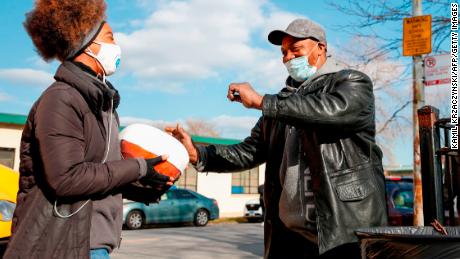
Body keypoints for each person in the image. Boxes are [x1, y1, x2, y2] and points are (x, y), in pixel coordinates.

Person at [167, 18, 387, 258]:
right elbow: (247, 152)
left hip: (341, 234)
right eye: (284, 52)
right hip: (290, 237)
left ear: (320, 49)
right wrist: (198, 154)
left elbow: (330, 111)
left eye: (296, 50)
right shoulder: (281, 104)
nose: (288, 58)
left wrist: (263, 102)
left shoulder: (351, 83)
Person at [4, 1, 174, 258]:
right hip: (61, 243)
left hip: (95, 242)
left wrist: (146, 184)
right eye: (109, 37)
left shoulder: (104, 106)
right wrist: (138, 166)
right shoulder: (60, 99)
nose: (116, 45)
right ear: (86, 43)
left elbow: (99, 176)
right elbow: (67, 179)